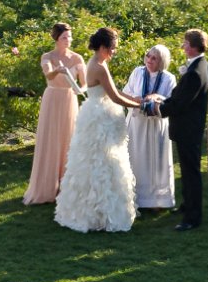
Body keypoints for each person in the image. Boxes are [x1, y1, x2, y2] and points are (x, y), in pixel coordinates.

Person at [55, 27, 145, 234]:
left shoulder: (95, 62)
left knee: (94, 161)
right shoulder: (99, 67)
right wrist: (140, 106)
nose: (114, 52)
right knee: (104, 162)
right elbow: (114, 97)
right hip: (101, 118)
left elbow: (114, 90)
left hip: (94, 113)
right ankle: (102, 214)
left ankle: (93, 212)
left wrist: (135, 99)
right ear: (104, 47)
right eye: (113, 48)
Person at [159, 30, 208, 230]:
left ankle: (192, 218)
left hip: (188, 128)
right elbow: (179, 96)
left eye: (186, 43)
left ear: (194, 46)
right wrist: (164, 101)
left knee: (191, 172)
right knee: (189, 169)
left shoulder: (195, 73)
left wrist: (158, 109)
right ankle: (187, 204)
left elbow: (180, 103)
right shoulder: (200, 65)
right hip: (190, 127)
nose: (183, 46)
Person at [25, 23, 82, 206]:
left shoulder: (77, 58)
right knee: (51, 141)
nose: (68, 40)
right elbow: (49, 75)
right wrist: (59, 70)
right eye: (65, 37)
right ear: (56, 38)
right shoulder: (48, 57)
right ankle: (46, 188)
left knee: (68, 140)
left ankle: (66, 188)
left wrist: (79, 89)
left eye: (70, 37)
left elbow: (86, 82)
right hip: (52, 99)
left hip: (69, 99)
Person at [125, 45, 179, 211]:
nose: (149, 60)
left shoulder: (169, 78)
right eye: (148, 56)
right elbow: (126, 92)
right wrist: (136, 99)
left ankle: (157, 200)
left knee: (156, 162)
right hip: (137, 123)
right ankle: (135, 198)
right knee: (136, 159)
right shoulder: (137, 72)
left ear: (162, 61)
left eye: (154, 58)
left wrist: (157, 98)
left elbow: (171, 100)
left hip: (156, 124)